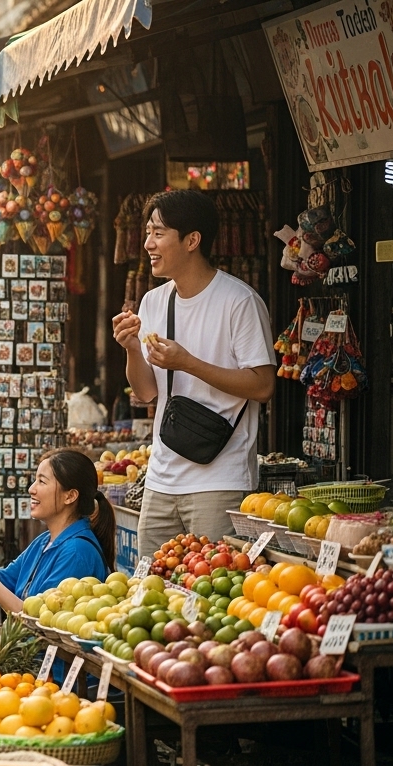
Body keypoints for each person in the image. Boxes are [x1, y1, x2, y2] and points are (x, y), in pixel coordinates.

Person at [111, 190, 274, 557]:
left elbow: (263, 386)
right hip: (161, 479)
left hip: (220, 479)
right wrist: (132, 348)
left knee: (212, 594)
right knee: (150, 593)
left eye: (158, 233)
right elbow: (147, 393)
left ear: (192, 240)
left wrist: (188, 363)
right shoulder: (155, 300)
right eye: (148, 232)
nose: (148, 243)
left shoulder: (239, 302)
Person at [0, 450, 115, 612]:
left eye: (42, 481)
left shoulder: (76, 553)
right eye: (35, 480)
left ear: (70, 496)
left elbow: (41, 623)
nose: (31, 489)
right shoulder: (44, 541)